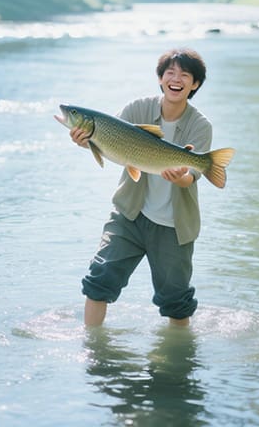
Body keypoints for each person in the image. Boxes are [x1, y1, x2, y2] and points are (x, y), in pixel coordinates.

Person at [68, 48, 215, 328]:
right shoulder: (136, 108)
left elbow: (194, 173)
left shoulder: (200, 125)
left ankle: (179, 363)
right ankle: (92, 350)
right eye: (170, 72)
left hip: (174, 226)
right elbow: (111, 144)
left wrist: (181, 177)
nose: (176, 79)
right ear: (160, 79)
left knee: (176, 303)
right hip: (129, 216)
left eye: (184, 75)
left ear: (194, 84)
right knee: (99, 280)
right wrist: (86, 141)